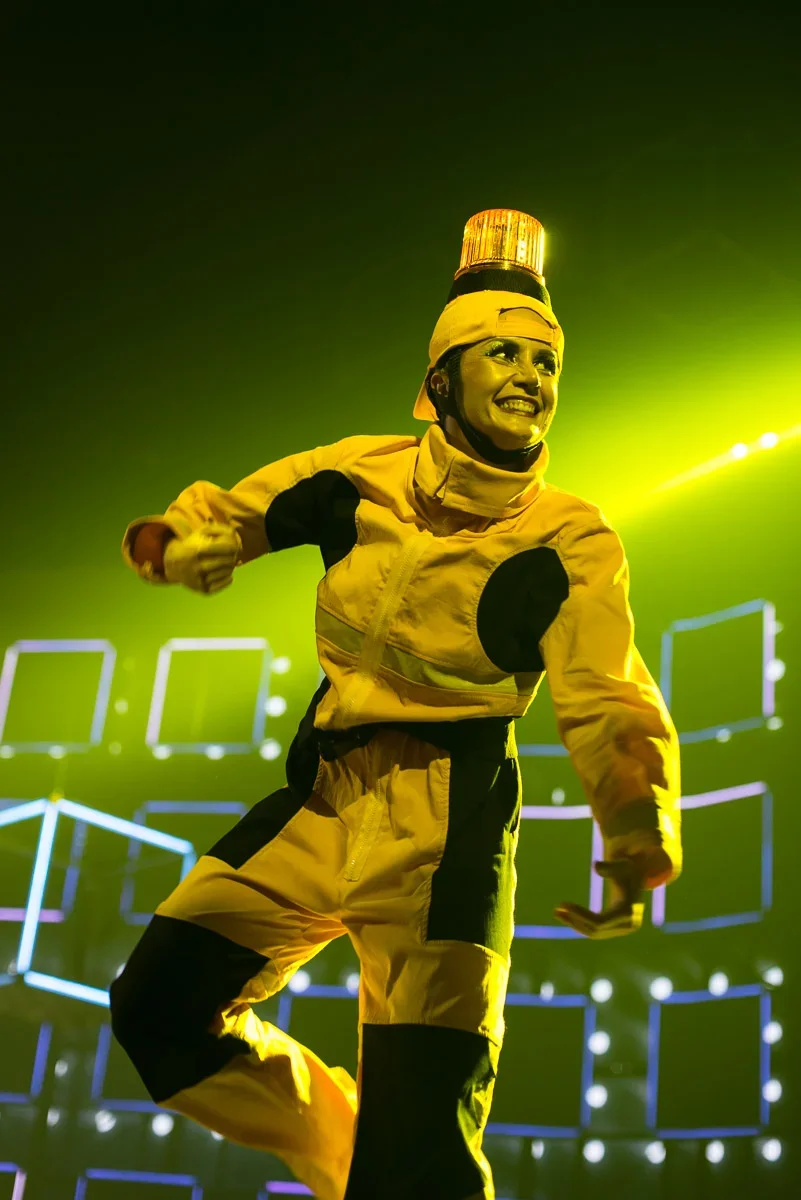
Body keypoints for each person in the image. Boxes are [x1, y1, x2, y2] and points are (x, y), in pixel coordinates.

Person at [110, 208, 682, 1200]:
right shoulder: (359, 474)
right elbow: (239, 511)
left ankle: (393, 1170)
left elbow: (605, 696)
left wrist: (636, 836)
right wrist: (181, 541)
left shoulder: (569, 538)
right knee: (155, 1008)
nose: (530, 379)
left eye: (546, 365)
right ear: (438, 384)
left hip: (445, 842)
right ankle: (346, 1155)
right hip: (325, 797)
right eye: (502, 353)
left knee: (422, 1162)